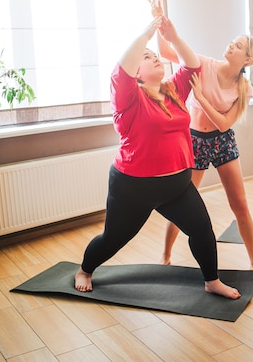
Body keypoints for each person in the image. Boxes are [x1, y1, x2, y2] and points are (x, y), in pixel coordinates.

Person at [74, 15, 241, 300]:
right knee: (114, 239)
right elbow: (121, 71)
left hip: (176, 185)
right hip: (133, 188)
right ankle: (86, 269)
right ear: (137, 74)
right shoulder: (128, 98)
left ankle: (211, 280)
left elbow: (193, 65)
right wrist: (145, 35)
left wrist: (172, 35)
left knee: (201, 229)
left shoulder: (174, 90)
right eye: (147, 58)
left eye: (155, 56)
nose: (154, 59)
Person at [150, 0, 253, 281]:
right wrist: (159, 22)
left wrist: (201, 98)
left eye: (238, 46)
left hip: (222, 142)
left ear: (248, 59)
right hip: (194, 141)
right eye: (232, 42)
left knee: (240, 204)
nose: (231, 46)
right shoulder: (204, 64)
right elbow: (166, 50)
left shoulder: (244, 88)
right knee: (182, 203)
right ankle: (165, 256)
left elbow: (225, 123)